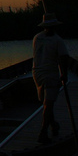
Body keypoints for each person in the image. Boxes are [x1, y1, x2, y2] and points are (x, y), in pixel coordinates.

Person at [32, 13, 69, 144]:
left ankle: (53, 125)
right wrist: (64, 74)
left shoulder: (37, 38)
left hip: (37, 74)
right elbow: (63, 58)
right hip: (50, 74)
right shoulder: (57, 40)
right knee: (48, 104)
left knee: (47, 103)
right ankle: (43, 132)